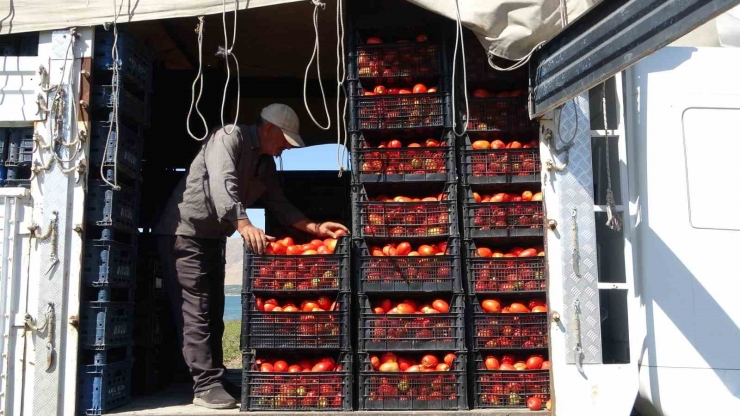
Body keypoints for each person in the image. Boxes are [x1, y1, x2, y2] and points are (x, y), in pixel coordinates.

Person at [153, 103, 349, 409]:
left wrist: (316, 227)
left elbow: (279, 203)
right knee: (197, 309)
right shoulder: (228, 137)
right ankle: (204, 386)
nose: (285, 149)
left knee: (213, 310)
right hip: (185, 233)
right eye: (284, 141)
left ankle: (213, 377)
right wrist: (243, 224)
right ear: (268, 129)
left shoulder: (264, 164)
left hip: (212, 237)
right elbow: (223, 183)